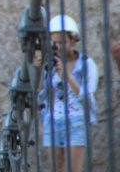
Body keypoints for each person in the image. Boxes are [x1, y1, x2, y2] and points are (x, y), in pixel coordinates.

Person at [36, 14, 98, 172]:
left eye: (62, 42)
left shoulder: (86, 64)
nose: (58, 46)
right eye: (54, 42)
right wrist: (38, 69)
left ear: (73, 40)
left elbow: (88, 97)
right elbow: (40, 92)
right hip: (52, 121)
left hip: (76, 122)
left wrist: (67, 77)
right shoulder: (50, 64)